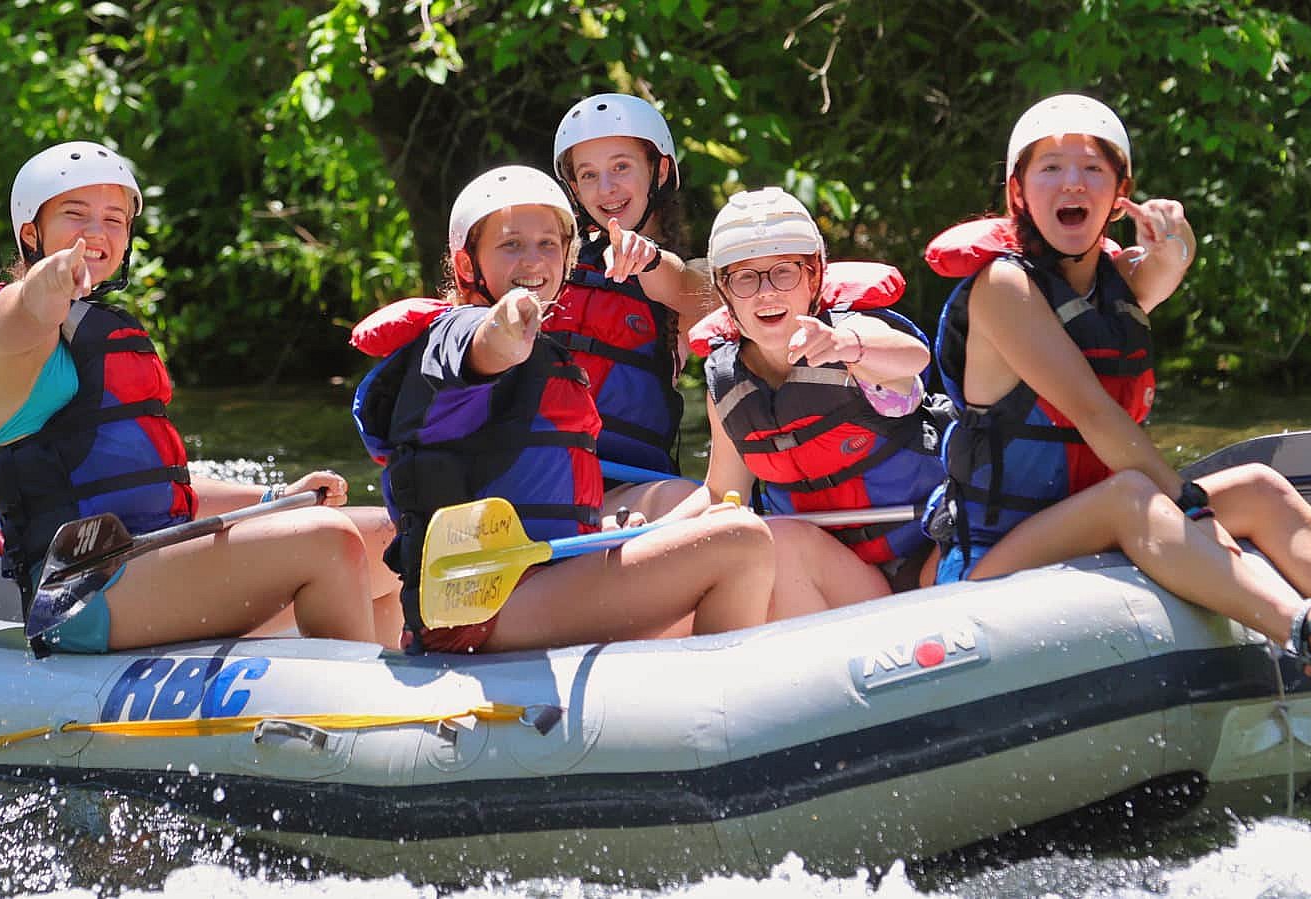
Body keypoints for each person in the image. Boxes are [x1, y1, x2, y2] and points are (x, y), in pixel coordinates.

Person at [928, 93, 1311, 736]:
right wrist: (1184, 501)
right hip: (998, 553)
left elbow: (1160, 272)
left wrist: (1174, 242)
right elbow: (1098, 418)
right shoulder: (1003, 288)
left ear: (1119, 191)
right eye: (1050, 168)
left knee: (1261, 489)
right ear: (1018, 191)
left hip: (1094, 521)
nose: (1072, 182)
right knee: (1134, 492)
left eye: (1092, 169)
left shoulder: (1111, 282)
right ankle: (1302, 629)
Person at [0, 140, 394, 653]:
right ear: (31, 234)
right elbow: (34, 300)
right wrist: (56, 274)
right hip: (81, 591)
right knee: (327, 542)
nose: (97, 233)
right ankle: (357, 715)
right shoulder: (8, 328)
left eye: (114, 220)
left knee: (392, 540)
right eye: (75, 215)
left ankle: (407, 696)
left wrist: (272, 501)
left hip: (153, 560)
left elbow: (157, 487)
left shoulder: (98, 329)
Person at [352, 165, 808, 654]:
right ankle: (724, 704)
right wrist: (508, 322)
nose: (534, 259)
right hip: (480, 611)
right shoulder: (456, 333)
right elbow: (489, 345)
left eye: (549, 244)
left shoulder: (544, 352)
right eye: (511, 245)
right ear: (467, 267)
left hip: (536, 582)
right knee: (738, 541)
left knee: (713, 526)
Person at [670, 188, 949, 601]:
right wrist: (649, 536)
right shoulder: (728, 385)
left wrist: (844, 346)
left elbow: (913, 357)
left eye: (784, 271)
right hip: (833, 574)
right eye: (745, 277)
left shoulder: (854, 335)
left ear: (815, 275)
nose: (766, 291)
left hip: (930, 551)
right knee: (771, 539)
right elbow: (722, 493)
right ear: (723, 291)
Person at [549, 93, 711, 519]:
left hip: (629, 488)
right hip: (541, 482)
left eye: (621, 166)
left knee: (703, 504)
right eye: (588, 175)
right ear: (575, 189)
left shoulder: (698, 276)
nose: (606, 189)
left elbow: (686, 289)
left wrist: (648, 259)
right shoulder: (550, 266)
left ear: (658, 170)